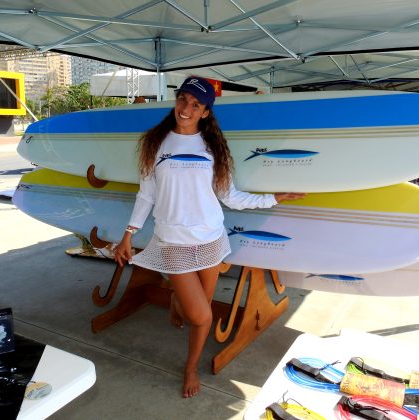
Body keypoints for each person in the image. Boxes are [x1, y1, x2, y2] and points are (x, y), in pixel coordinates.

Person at [113, 77, 305, 398]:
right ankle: (184, 333)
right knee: (200, 314)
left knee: (197, 314)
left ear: (205, 113)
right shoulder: (155, 143)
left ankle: (188, 356)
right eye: (183, 99)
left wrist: (274, 197)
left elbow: (230, 196)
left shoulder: (212, 147)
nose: (186, 109)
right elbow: (146, 195)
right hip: (173, 243)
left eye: (195, 104)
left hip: (211, 240)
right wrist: (128, 234)